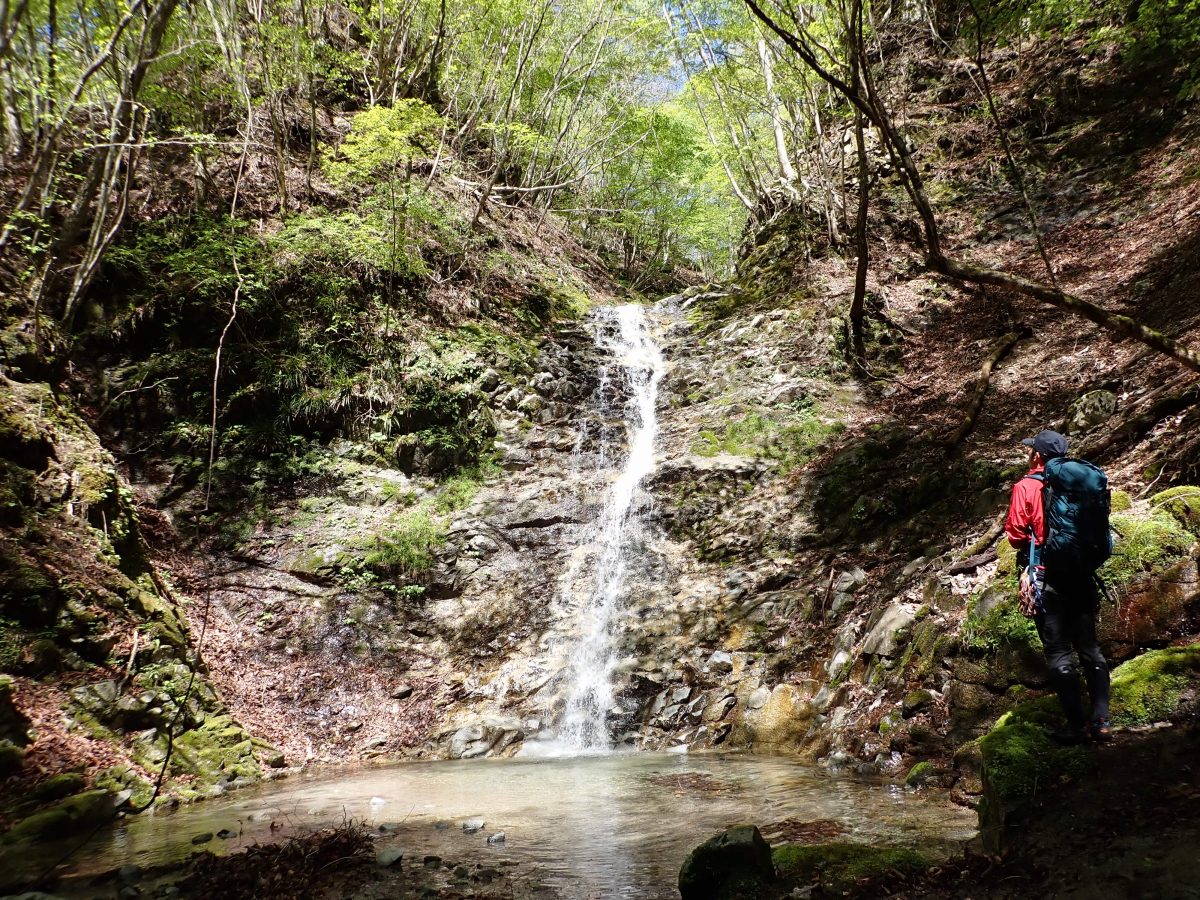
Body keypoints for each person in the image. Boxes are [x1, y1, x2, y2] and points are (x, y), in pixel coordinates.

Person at [1005, 429, 1111, 744]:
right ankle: (1102, 720)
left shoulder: (1026, 486)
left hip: (1045, 576)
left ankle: (1076, 726)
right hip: (1080, 573)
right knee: (1090, 648)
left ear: (1037, 455)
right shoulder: (1080, 484)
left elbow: (1014, 536)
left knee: (1058, 651)